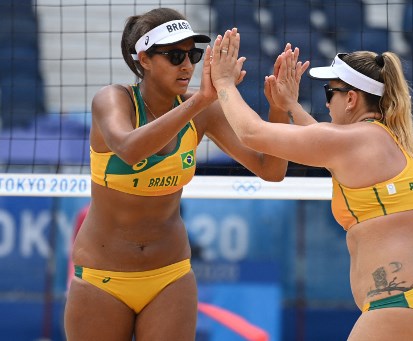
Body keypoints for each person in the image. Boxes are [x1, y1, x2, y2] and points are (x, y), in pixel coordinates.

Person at [210, 30, 413, 341]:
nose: (327, 103)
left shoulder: (355, 141)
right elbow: (326, 147)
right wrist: (290, 105)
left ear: (352, 98)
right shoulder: (409, 144)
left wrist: (222, 83)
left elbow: (251, 133)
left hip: (401, 305)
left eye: (330, 92)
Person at [64, 9, 290, 340]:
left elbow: (271, 170)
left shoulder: (202, 111)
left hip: (170, 275)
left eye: (193, 54)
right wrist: (199, 100)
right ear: (144, 59)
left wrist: (278, 108)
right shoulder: (113, 100)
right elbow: (129, 149)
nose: (187, 65)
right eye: (174, 55)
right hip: (102, 277)